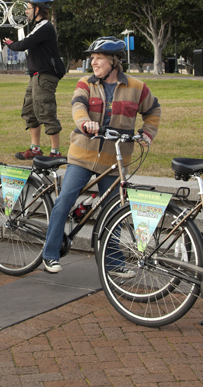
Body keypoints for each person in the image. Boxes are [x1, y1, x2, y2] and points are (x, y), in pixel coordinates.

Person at [41, 37, 161, 274]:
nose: (93, 62)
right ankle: (50, 254)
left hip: (114, 160)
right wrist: (85, 122)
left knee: (113, 211)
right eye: (92, 58)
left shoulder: (137, 88)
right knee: (64, 200)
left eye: (99, 58)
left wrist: (147, 133)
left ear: (114, 62)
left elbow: (153, 110)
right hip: (82, 155)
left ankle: (114, 263)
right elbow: (78, 106)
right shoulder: (86, 83)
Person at [3, 0, 64, 160]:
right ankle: (35, 148)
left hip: (45, 76)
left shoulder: (45, 26)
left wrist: (10, 44)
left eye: (29, 8)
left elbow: (24, 44)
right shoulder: (39, 27)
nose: (27, 11)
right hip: (35, 76)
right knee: (29, 111)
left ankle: (55, 152)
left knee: (46, 110)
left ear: (38, 9)